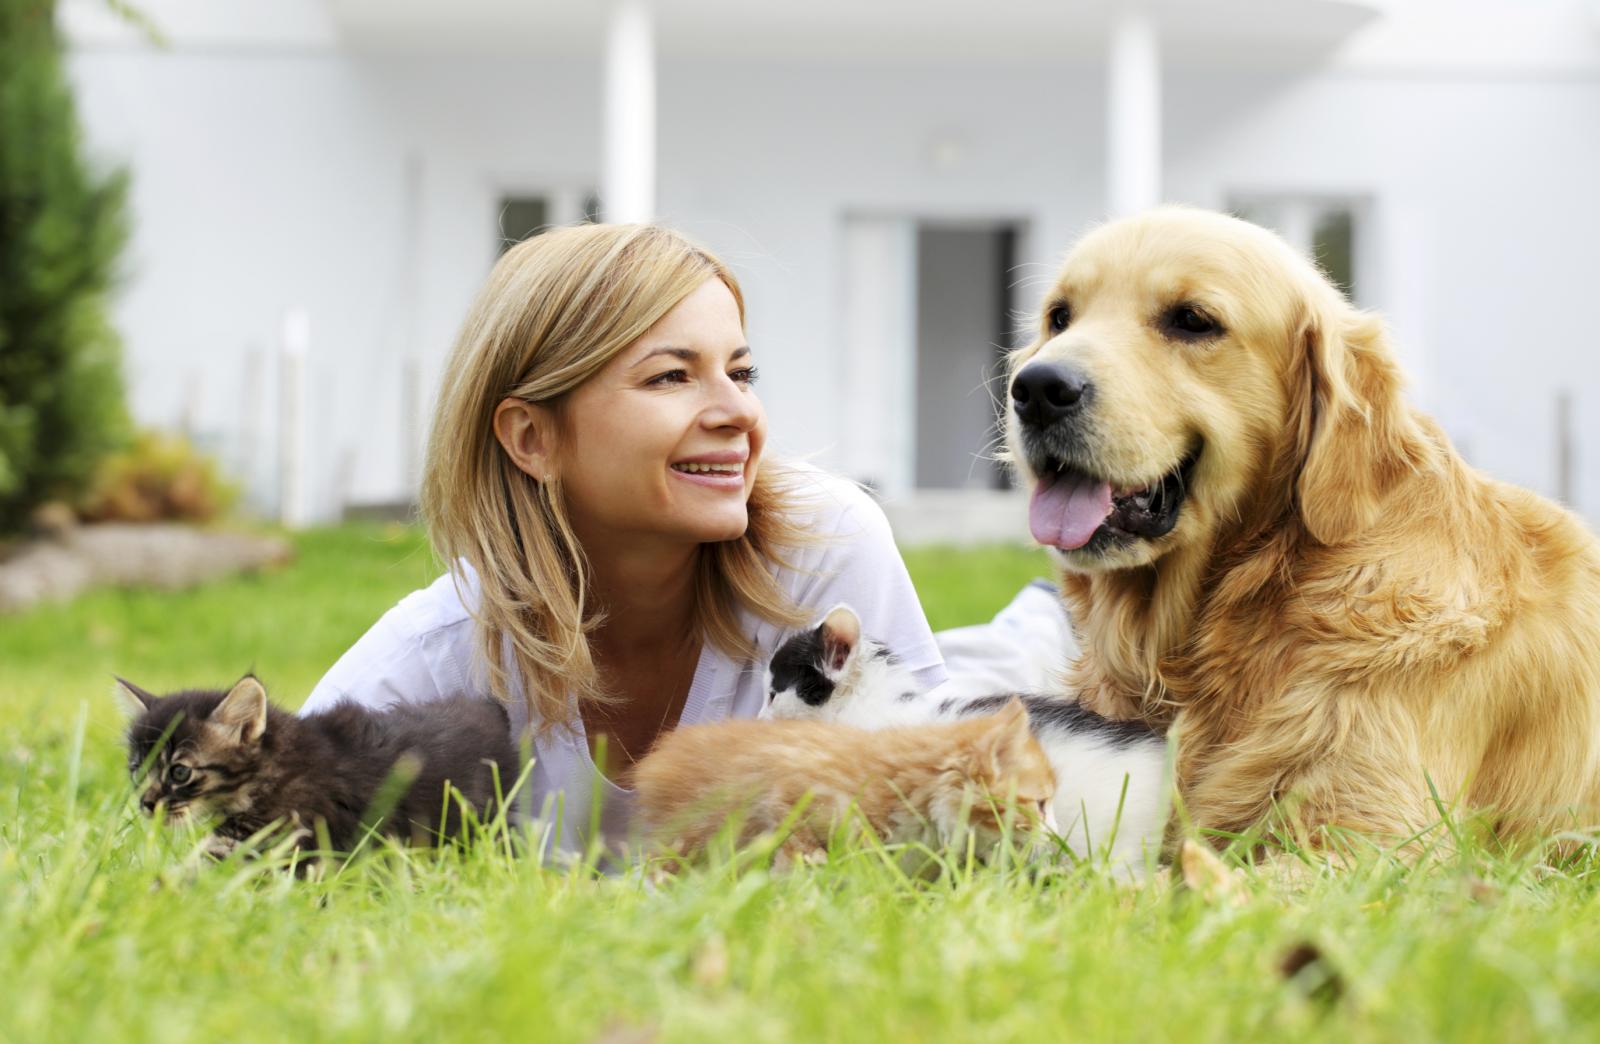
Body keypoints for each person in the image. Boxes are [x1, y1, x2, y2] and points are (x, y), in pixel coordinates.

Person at [300, 223, 975, 857]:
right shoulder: (437, 658)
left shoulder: (824, 550)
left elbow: (944, 817)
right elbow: (260, 841)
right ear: (532, 438)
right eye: (672, 376)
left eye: (741, 373)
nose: (739, 411)